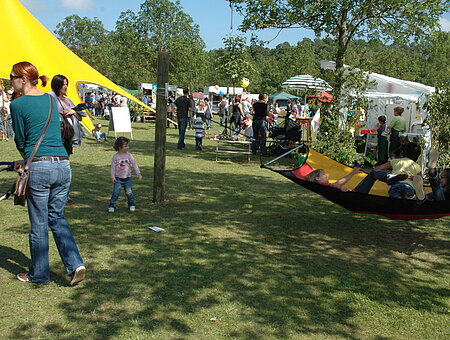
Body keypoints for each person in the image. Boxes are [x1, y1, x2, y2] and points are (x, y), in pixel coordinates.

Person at [10, 61, 85, 285]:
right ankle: (75, 264)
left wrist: (25, 159)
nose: (10, 80)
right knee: (57, 217)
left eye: (13, 76)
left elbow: (21, 140)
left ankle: (39, 273)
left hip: (40, 167)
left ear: (23, 79)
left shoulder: (18, 105)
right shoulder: (51, 99)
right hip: (63, 164)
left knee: (39, 222)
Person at [109, 136, 142, 212]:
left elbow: (134, 164)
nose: (127, 147)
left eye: (127, 145)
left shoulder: (129, 155)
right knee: (116, 193)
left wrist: (138, 173)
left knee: (129, 192)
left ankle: (132, 204)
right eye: (125, 146)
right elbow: (113, 168)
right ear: (120, 147)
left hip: (127, 178)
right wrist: (113, 177)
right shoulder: (115, 157)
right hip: (118, 179)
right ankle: (112, 206)